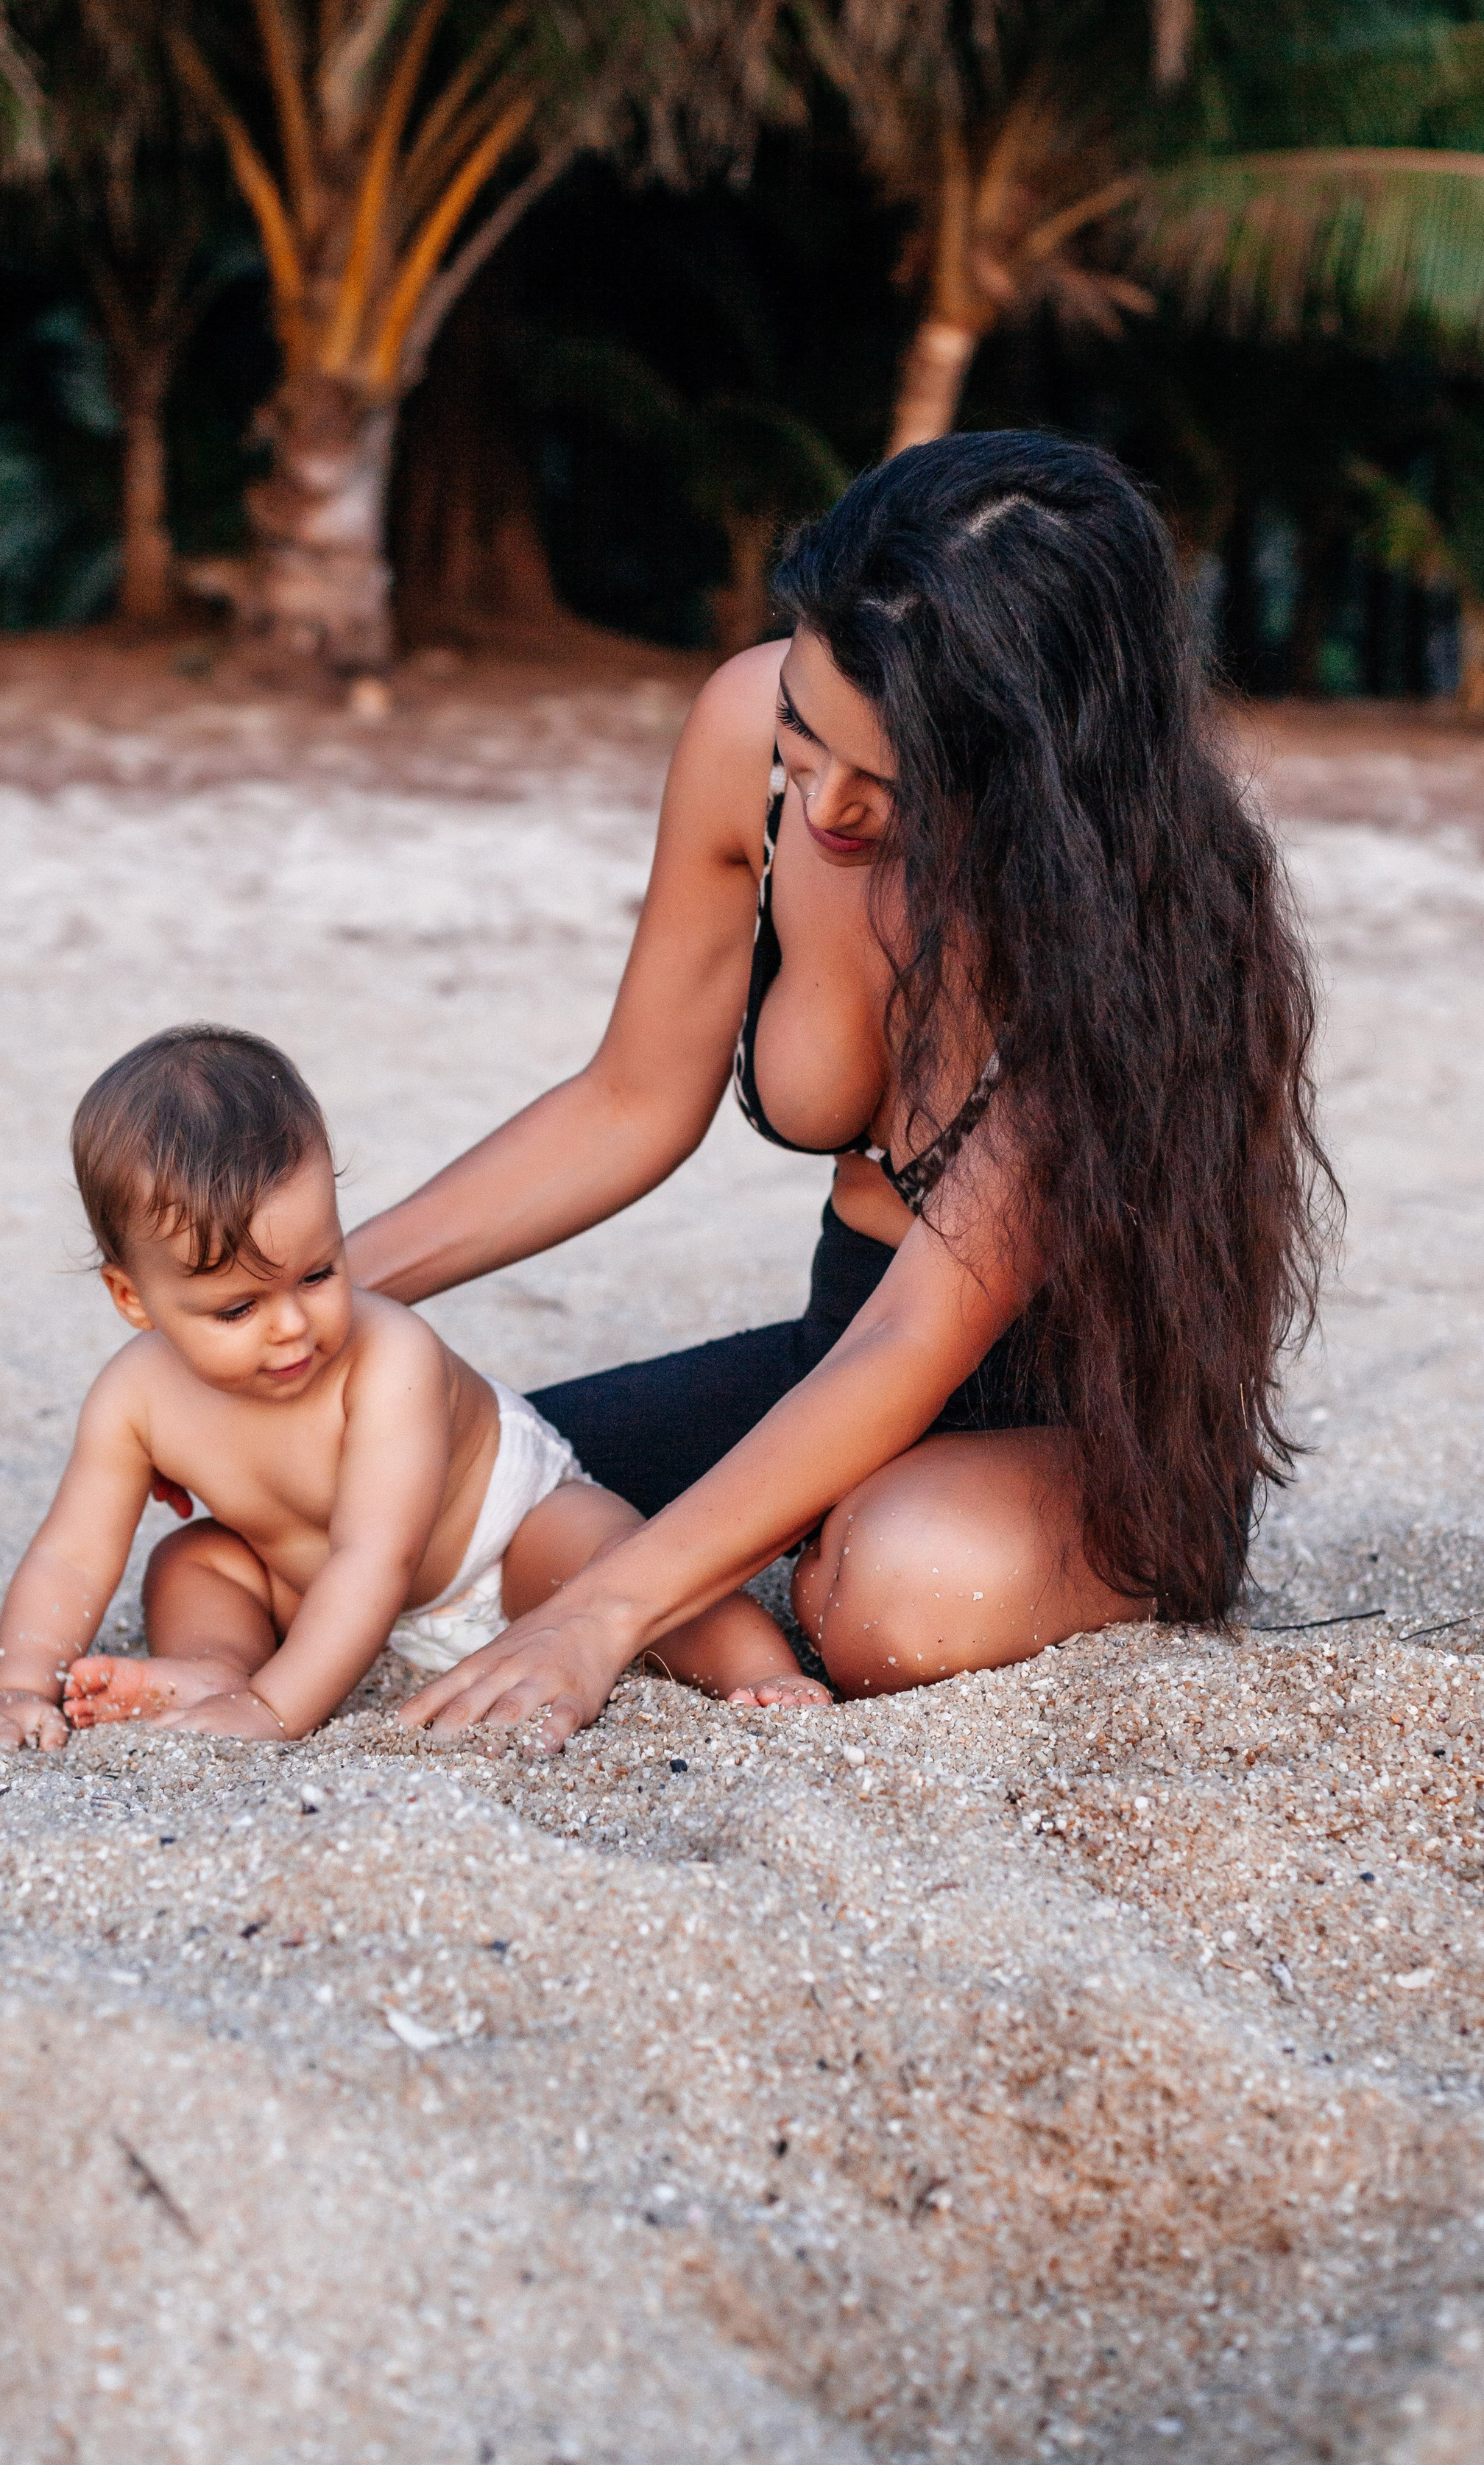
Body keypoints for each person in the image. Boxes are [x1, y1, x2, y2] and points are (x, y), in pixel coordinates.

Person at [346, 431, 1332, 1751]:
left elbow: (918, 1342)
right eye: (807, 739)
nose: (822, 806)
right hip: (839, 1345)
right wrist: (313, 1298)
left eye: (893, 782)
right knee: (386, 1492)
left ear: (1030, 772)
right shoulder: (753, 728)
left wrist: (602, 1615)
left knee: (885, 1602)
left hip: (1085, 1425)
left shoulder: (1131, 931)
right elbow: (630, 1100)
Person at [0, 1026, 824, 1754]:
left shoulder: (391, 1353)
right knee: (194, 1562)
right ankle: (209, 1666)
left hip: (498, 1549)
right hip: (321, 1599)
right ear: (132, 1299)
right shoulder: (134, 1399)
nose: (292, 1326)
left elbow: (375, 1558)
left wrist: (279, 1713)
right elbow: (73, 1557)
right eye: (236, 1307)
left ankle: (764, 1666)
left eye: (317, 1273)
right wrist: (15, 1688)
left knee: (605, 1552)